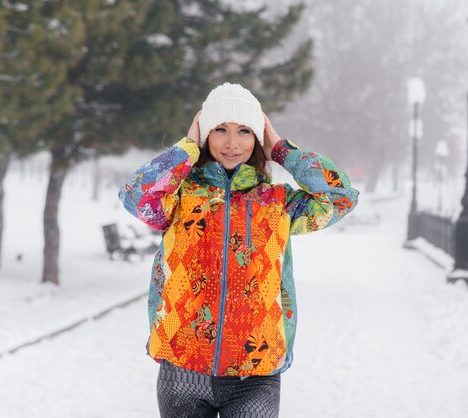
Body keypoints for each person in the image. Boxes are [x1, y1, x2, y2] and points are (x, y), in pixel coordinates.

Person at [119, 82, 359, 417]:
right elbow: (136, 196)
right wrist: (187, 148)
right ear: (206, 135)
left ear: (257, 138)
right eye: (220, 130)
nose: (232, 143)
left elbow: (340, 196)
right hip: (182, 367)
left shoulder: (279, 204)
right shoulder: (180, 199)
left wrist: (281, 149)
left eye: (245, 131)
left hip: (255, 371)